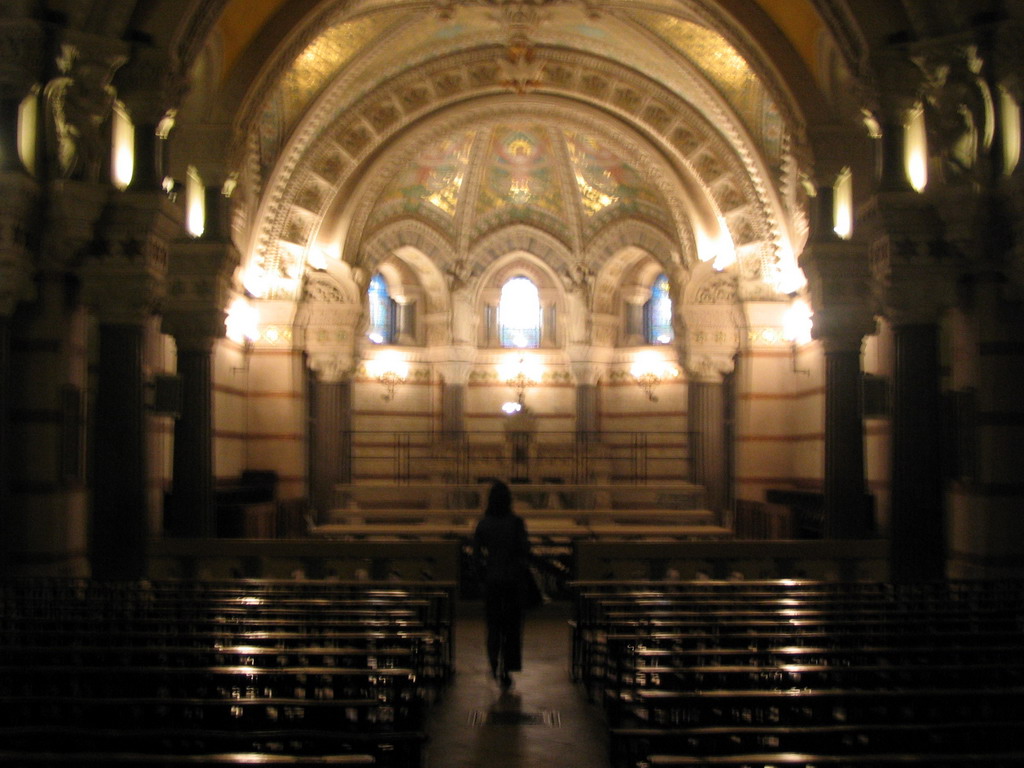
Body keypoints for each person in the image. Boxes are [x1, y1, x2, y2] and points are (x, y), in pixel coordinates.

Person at [474, 479, 531, 690]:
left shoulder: (484, 524)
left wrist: (482, 577)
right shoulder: (516, 522)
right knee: (511, 627)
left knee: (493, 626)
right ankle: (507, 669)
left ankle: (493, 663)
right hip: (513, 582)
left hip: (492, 582)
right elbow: (525, 549)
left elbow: (476, 556)